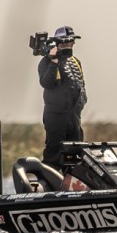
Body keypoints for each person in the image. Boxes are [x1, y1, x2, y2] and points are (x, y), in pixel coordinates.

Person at [38, 25, 87, 171]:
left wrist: (82, 101)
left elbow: (81, 84)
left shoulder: (76, 61)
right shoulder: (46, 62)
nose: (69, 45)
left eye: (71, 42)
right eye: (65, 42)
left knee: (76, 153)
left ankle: (72, 180)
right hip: (56, 115)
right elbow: (46, 83)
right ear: (58, 43)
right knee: (53, 153)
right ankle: (49, 180)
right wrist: (53, 62)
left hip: (74, 116)